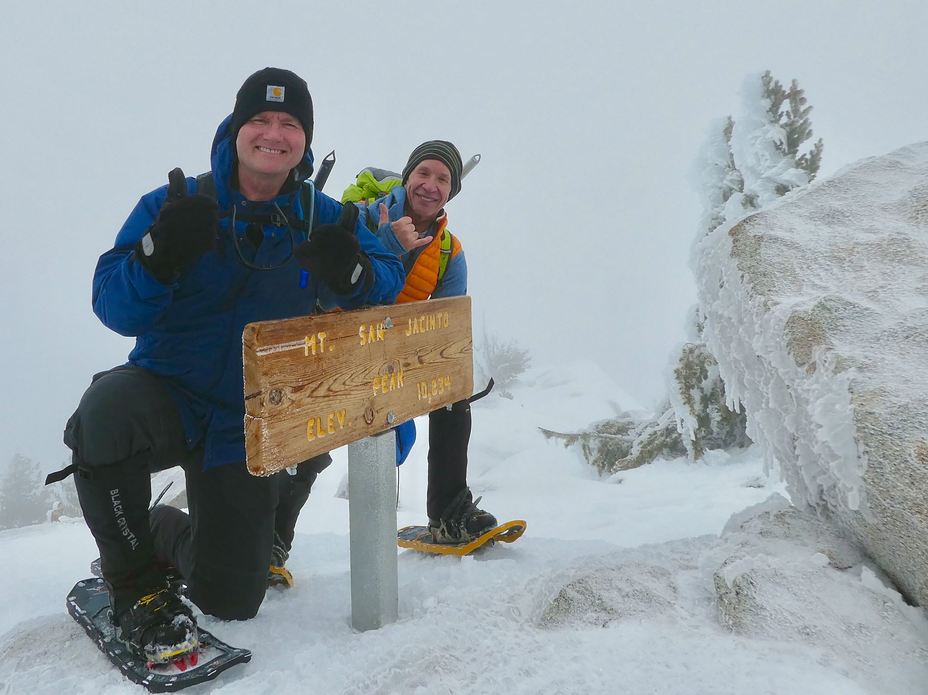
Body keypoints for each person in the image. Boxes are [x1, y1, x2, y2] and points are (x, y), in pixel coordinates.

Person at [49, 67, 405, 665]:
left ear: (305, 139)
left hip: (247, 423)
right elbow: (111, 303)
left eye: (289, 123)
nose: (273, 133)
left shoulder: (325, 217)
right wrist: (157, 257)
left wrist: (354, 275)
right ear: (237, 130)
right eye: (259, 120)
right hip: (167, 392)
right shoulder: (176, 203)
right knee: (105, 411)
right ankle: (135, 582)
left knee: (233, 598)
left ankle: (161, 529)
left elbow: (381, 282)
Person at [343, 140, 498, 545]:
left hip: (393, 355)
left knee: (452, 392)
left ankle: (450, 514)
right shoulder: (360, 219)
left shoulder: (448, 250)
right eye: (423, 174)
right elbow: (332, 287)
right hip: (338, 351)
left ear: (452, 192)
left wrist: (446, 373)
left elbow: (446, 326)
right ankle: (272, 539)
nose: (431, 185)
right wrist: (383, 243)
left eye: (443, 179)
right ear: (408, 176)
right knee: (307, 441)